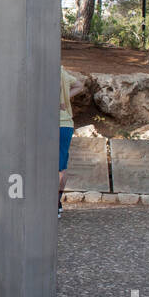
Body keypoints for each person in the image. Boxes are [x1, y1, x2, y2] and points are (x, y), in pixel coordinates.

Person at [59, 66, 84, 217]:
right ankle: (57, 203)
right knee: (61, 166)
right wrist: (66, 97)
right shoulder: (62, 71)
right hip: (66, 123)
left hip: (47, 123)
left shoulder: (41, 70)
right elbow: (80, 86)